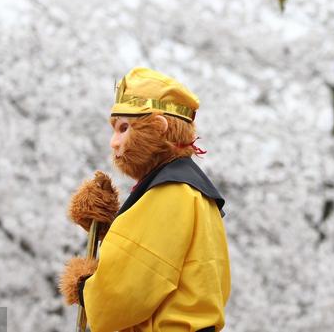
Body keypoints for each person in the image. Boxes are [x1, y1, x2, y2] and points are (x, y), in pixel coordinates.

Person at [59, 67, 230, 332]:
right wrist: (106, 229)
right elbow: (164, 263)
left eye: (124, 128)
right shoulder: (191, 190)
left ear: (159, 128)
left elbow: (124, 294)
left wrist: (85, 285)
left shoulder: (170, 192)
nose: (114, 143)